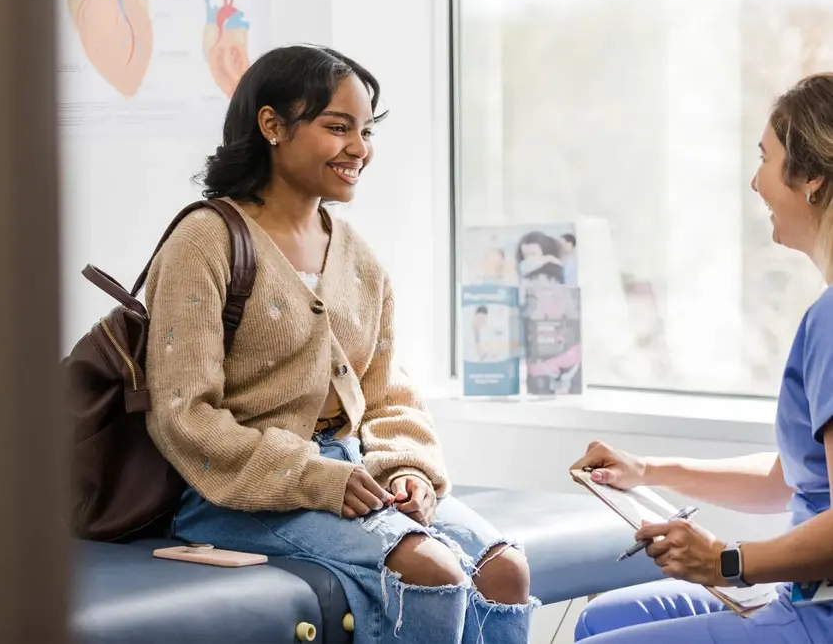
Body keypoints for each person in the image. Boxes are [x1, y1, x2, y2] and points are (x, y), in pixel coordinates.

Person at [143, 44, 538, 644]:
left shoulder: (357, 255)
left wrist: (408, 469)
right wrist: (312, 476)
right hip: (238, 495)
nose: (360, 148)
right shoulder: (205, 241)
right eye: (338, 127)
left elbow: (386, 393)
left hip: (357, 475)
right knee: (430, 569)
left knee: (505, 571)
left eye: (366, 131)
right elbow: (183, 415)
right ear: (272, 125)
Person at [571, 73, 833, 643]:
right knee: (601, 619)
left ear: (810, 178)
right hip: (803, 592)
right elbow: (793, 477)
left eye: (766, 158)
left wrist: (727, 561)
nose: (755, 181)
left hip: (821, 611)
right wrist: (648, 470)